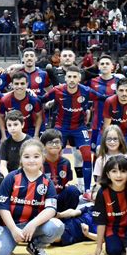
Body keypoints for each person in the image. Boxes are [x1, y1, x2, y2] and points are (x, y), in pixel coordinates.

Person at [0, 139, 64, 255]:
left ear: (43, 158)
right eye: (27, 156)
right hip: (9, 227)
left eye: (36, 156)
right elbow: (3, 208)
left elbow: (51, 209)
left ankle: (35, 246)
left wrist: (32, 224)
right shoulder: (11, 178)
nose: (31, 160)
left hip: (33, 227)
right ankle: (7, 242)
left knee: (57, 226)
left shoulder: (47, 182)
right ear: (21, 159)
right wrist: (13, 229)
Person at [42, 66, 106, 199]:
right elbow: (40, 100)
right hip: (61, 127)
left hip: (79, 127)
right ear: (65, 78)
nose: (71, 79)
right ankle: (51, 186)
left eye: (74, 77)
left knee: (87, 155)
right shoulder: (57, 90)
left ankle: (87, 190)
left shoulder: (86, 91)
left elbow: (104, 98)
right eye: (69, 76)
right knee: (52, 155)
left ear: (79, 78)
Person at [89, 156, 127, 255]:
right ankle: (117, 244)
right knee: (114, 252)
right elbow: (101, 222)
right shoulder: (102, 193)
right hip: (112, 229)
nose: (118, 175)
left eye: (123, 171)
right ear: (108, 174)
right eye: (114, 171)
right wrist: (99, 247)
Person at [40, 128, 81, 215]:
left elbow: (66, 182)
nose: (54, 145)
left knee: (73, 190)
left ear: (62, 144)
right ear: (43, 145)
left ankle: (65, 217)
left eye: (57, 142)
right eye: (50, 142)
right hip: (43, 201)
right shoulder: (39, 163)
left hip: (59, 198)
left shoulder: (66, 162)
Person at [85, 54, 119, 151]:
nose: (104, 65)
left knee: (115, 151)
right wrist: (86, 109)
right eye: (102, 64)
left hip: (116, 123)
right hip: (97, 124)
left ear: (112, 66)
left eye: (107, 64)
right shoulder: (92, 81)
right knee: (97, 153)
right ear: (99, 66)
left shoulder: (119, 81)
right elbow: (83, 94)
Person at [0, 72, 43, 139]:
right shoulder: (4, 100)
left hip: (29, 131)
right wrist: (3, 136)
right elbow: (1, 117)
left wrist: (36, 135)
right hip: (12, 131)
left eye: (22, 83)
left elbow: (39, 116)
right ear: (12, 85)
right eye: (16, 84)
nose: (19, 86)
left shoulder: (34, 100)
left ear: (27, 84)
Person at [103, 78, 127, 153]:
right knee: (100, 151)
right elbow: (106, 125)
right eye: (121, 90)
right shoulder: (109, 101)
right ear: (116, 91)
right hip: (111, 131)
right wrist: (106, 142)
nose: (124, 93)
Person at [0, 110, 32, 190]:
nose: (12, 128)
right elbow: (2, 165)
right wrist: (7, 177)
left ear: (22, 125)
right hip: (10, 174)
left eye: (15, 124)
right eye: (9, 125)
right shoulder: (5, 143)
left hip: (26, 173)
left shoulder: (30, 142)